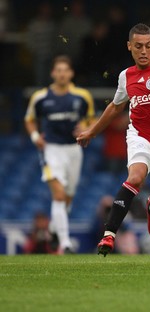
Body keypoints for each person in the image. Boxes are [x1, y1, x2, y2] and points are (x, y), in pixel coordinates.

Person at [76, 23, 150, 257]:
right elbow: (115, 106)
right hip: (141, 137)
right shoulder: (126, 76)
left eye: (149, 46)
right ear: (129, 46)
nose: (144, 51)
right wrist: (92, 131)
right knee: (136, 176)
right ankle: (110, 234)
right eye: (139, 46)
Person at [25, 55, 96, 254]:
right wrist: (34, 136)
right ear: (52, 73)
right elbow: (29, 119)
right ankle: (64, 243)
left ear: (71, 73)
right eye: (58, 70)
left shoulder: (82, 96)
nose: (62, 74)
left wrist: (86, 127)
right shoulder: (40, 97)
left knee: (69, 197)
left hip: (74, 150)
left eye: (65, 70)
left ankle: (54, 229)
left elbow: (92, 120)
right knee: (59, 194)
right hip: (52, 149)